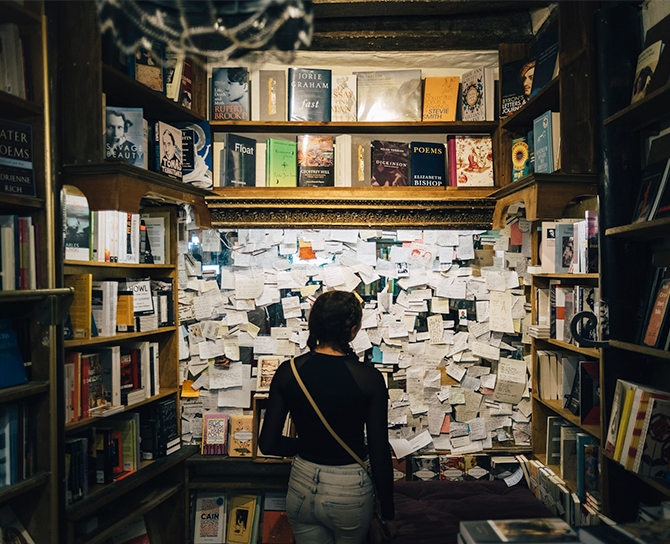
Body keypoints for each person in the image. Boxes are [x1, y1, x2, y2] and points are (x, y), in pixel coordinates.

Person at [259, 290, 396, 544]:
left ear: (314, 325)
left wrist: (308, 445)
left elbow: (268, 445)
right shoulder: (369, 379)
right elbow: (379, 453)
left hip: (300, 483)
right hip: (348, 489)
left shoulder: (288, 372)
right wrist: (389, 512)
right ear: (353, 330)